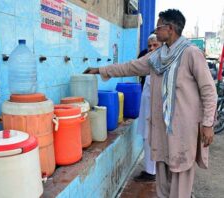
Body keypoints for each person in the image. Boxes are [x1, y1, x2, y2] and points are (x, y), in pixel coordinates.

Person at [84, 9, 217, 198]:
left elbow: (208, 90)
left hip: (183, 129)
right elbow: (130, 66)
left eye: (159, 25)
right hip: (162, 127)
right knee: (162, 172)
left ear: (170, 29)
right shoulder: (157, 56)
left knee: (180, 175)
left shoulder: (191, 53)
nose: (155, 29)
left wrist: (208, 124)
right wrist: (100, 70)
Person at [134, 33, 162, 182]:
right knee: (147, 138)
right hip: (146, 108)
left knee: (151, 139)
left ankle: (151, 172)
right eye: (149, 45)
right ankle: (151, 169)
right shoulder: (148, 61)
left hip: (155, 113)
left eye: (155, 45)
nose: (151, 48)